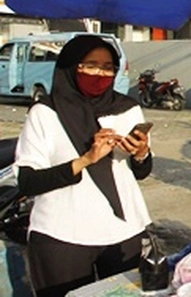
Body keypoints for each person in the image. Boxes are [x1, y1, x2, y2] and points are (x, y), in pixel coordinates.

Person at [15, 36, 152, 297]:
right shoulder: (45, 113)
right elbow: (28, 182)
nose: (100, 73)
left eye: (108, 66)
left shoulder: (128, 109)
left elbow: (141, 173)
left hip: (124, 231)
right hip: (62, 236)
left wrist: (141, 153)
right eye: (91, 65)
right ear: (71, 66)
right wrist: (86, 159)